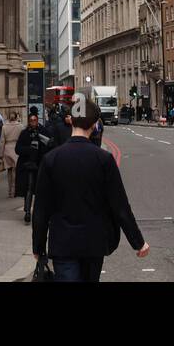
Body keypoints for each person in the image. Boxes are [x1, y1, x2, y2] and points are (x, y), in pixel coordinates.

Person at [31, 93, 149, 282]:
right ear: (94, 125)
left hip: (63, 243)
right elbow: (120, 206)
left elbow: (41, 209)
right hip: (93, 242)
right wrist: (138, 242)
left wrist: (38, 246)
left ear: (71, 121)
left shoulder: (51, 159)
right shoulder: (103, 159)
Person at [15, 111, 52, 222]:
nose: (33, 122)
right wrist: (29, 149)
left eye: (35, 120)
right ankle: (27, 211)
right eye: (31, 121)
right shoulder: (24, 133)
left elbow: (50, 146)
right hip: (28, 165)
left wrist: (43, 145)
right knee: (29, 188)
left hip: (41, 165)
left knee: (41, 190)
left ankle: (40, 212)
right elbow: (17, 149)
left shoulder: (43, 131)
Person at [1, 111, 24, 198]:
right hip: (16, 149)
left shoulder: (4, 127)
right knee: (15, 171)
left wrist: (0, 154)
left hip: (7, 149)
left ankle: (10, 191)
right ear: (16, 116)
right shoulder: (21, 126)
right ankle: (14, 190)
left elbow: (2, 141)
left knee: (9, 171)